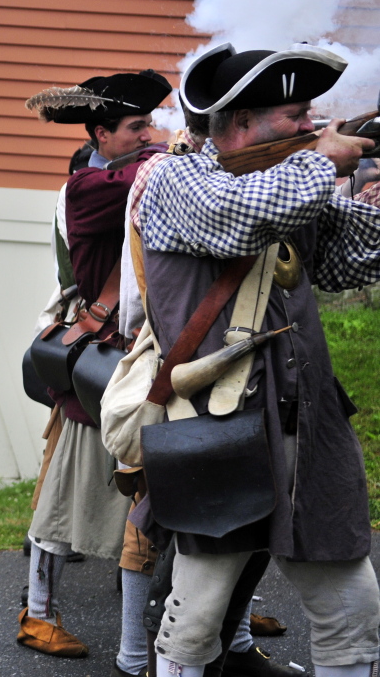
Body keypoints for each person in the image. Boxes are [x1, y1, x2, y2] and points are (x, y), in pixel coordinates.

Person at [138, 42, 380, 677]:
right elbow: (237, 217)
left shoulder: (290, 186)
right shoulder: (179, 178)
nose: (309, 126)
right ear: (241, 124)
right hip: (223, 431)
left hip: (311, 433)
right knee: (193, 626)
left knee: (353, 616)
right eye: (296, 114)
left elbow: (350, 261)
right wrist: (321, 161)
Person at [19, 68, 172, 660]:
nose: (149, 135)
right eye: (136, 126)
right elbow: (151, 178)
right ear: (102, 135)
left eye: (150, 124)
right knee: (65, 501)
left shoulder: (131, 172)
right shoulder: (91, 186)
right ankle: (36, 614)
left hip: (136, 358)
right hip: (104, 361)